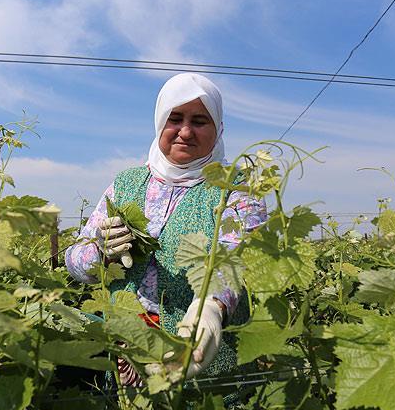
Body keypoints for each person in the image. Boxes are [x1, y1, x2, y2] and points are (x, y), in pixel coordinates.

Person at [65, 73, 267, 385]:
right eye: (175, 118)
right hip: (125, 352)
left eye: (200, 120)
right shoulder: (125, 184)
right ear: (160, 123)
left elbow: (238, 256)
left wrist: (211, 307)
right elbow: (75, 261)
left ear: (218, 128)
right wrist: (99, 252)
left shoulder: (236, 188)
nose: (185, 131)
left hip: (200, 356)